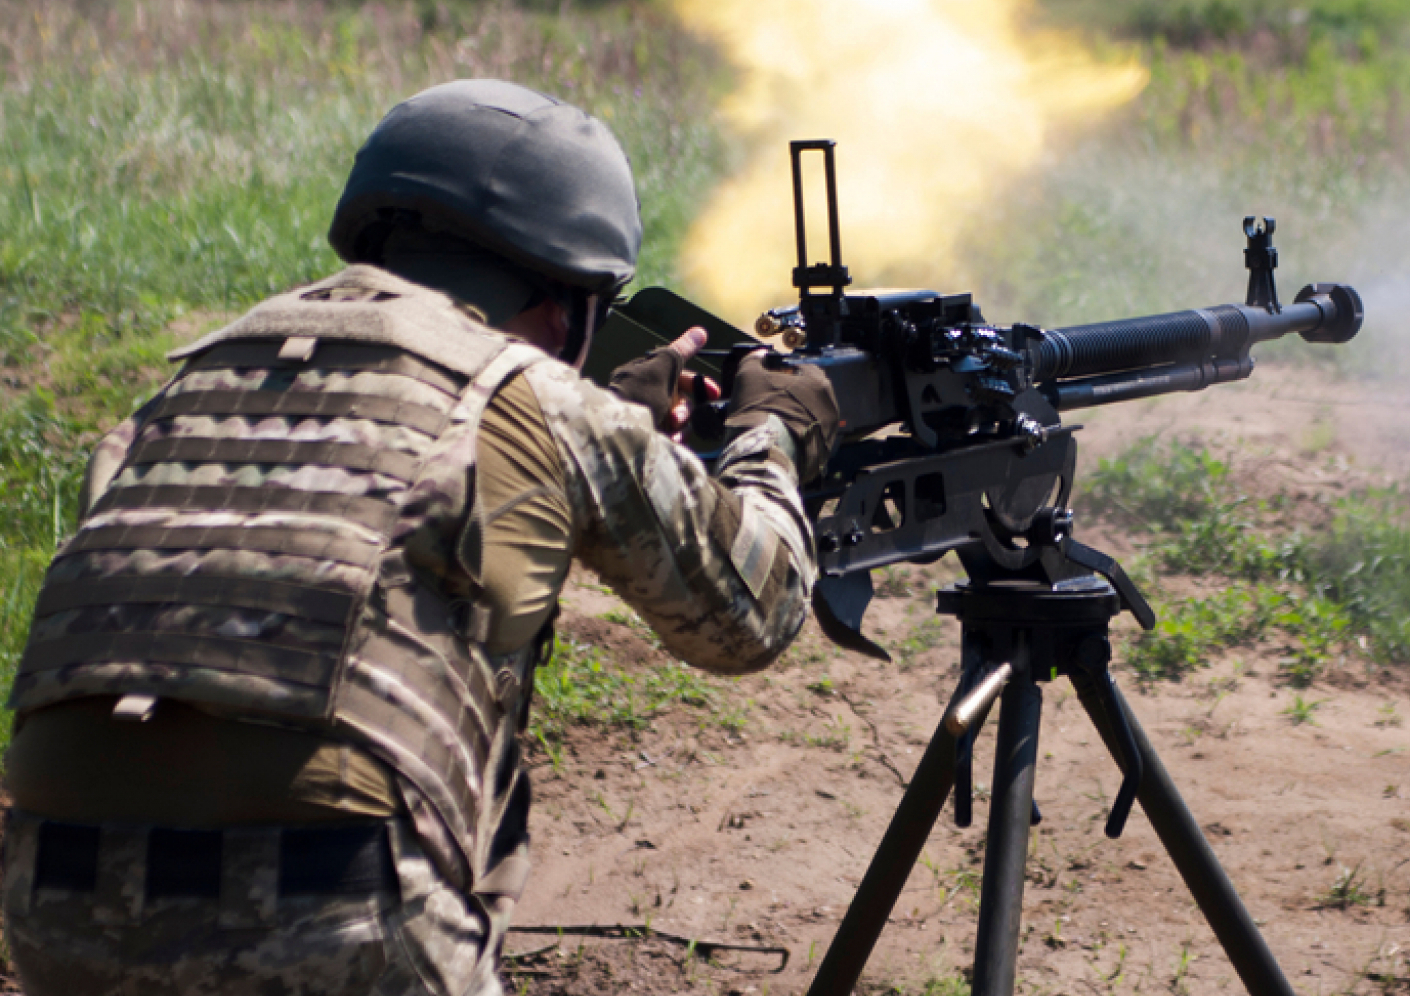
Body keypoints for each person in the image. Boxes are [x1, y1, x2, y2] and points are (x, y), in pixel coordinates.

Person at [1, 79, 837, 995]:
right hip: (335, 913)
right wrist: (771, 436)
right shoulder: (538, 399)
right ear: (571, 300)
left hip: (53, 901)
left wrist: (605, 425)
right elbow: (753, 614)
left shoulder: (189, 383)